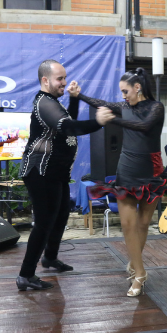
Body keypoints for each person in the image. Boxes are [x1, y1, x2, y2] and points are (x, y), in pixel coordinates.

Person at [16, 59, 115, 291]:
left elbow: (66, 124)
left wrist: (72, 98)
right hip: (40, 171)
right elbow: (69, 128)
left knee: (60, 217)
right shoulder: (43, 103)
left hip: (56, 173)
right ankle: (25, 275)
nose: (64, 82)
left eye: (64, 78)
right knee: (43, 224)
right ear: (45, 80)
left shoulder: (55, 102)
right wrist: (98, 122)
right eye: (60, 79)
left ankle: (49, 258)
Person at [70, 67, 166, 297]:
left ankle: (134, 265)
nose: (123, 96)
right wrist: (78, 96)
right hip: (127, 168)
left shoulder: (156, 107)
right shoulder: (123, 107)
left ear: (137, 87)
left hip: (150, 169)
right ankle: (140, 273)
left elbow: (144, 126)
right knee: (127, 225)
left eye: (125, 91)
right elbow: (99, 102)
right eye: (121, 92)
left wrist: (114, 120)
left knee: (143, 224)